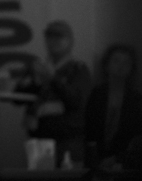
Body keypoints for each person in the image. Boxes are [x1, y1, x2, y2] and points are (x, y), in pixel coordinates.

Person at [17, 20, 92, 167]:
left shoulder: (78, 69)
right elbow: (17, 98)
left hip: (68, 140)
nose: (54, 41)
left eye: (59, 36)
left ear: (70, 40)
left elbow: (76, 101)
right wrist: (36, 82)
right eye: (49, 36)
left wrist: (53, 78)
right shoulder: (39, 66)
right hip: (39, 139)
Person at [83, 44, 142, 167]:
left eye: (126, 62)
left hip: (124, 162)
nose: (121, 66)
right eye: (116, 61)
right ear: (107, 65)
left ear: (131, 68)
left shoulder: (136, 99)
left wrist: (119, 158)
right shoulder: (97, 94)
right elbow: (89, 128)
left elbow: (136, 133)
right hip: (95, 159)